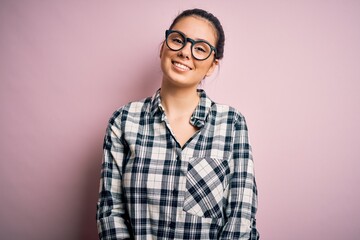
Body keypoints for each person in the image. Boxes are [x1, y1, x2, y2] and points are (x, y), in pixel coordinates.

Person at [96, 8, 259, 239]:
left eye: (200, 48)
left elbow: (241, 218)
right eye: (178, 40)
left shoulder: (231, 124)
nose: (185, 52)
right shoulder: (123, 121)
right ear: (164, 47)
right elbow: (110, 211)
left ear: (213, 65)